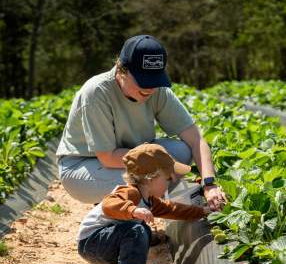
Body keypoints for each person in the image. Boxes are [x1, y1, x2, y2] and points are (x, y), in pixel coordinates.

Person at [56, 34, 226, 209]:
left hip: (133, 160)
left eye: (155, 79)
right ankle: (122, 218)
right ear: (121, 69)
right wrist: (160, 163)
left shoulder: (157, 91)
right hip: (84, 167)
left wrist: (209, 184)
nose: (150, 88)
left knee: (182, 151)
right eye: (143, 80)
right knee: (150, 180)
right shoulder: (97, 93)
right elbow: (107, 157)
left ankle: (140, 203)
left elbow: (195, 139)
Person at [77, 143, 212, 264]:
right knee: (136, 230)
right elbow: (109, 204)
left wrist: (203, 211)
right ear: (151, 177)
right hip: (91, 244)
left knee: (143, 231)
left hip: (102, 244)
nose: (172, 180)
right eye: (168, 177)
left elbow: (173, 209)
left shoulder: (149, 200)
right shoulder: (130, 192)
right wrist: (133, 210)